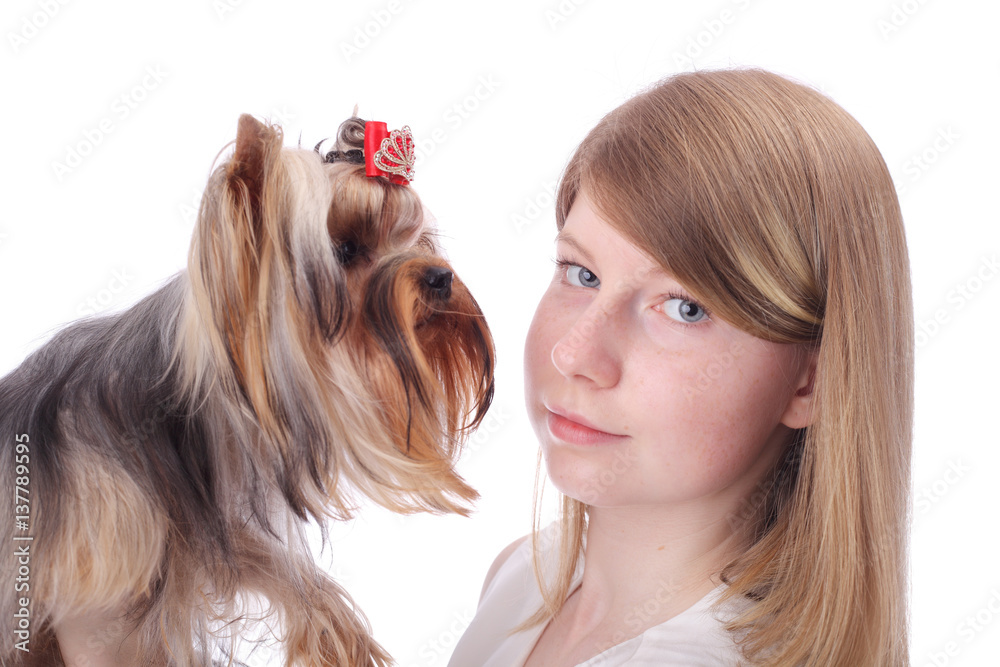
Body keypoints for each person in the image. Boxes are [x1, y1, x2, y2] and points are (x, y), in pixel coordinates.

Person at [448, 68, 913, 666]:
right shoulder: (522, 577)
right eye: (581, 273)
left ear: (811, 381)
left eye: (684, 307)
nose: (576, 355)